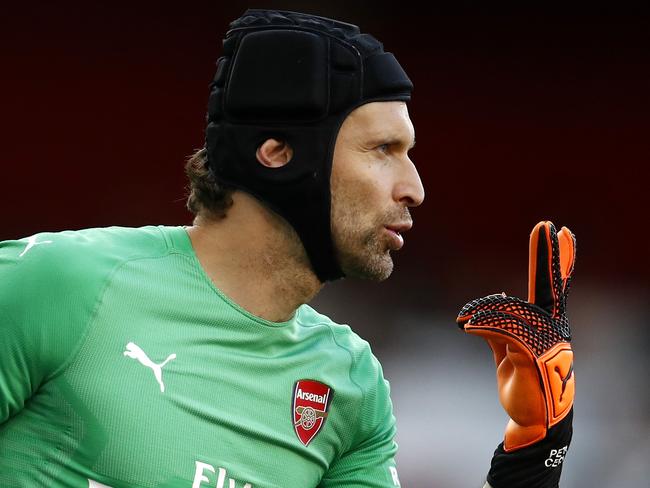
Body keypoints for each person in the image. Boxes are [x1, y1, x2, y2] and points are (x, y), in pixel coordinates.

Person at [0, 9, 575, 488]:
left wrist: (533, 452)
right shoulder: (59, 285)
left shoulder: (350, 382)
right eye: (382, 149)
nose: (414, 188)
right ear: (277, 154)